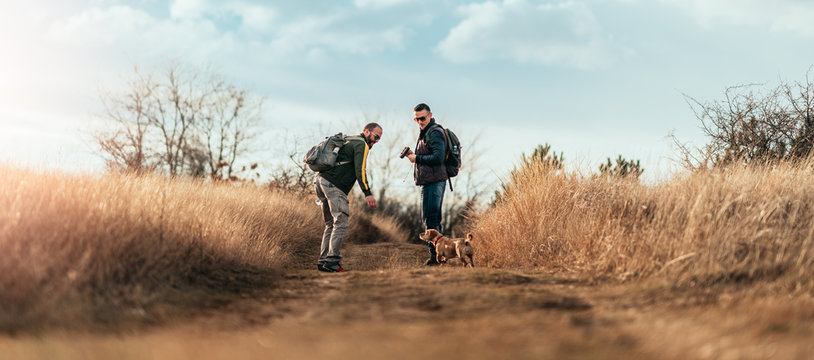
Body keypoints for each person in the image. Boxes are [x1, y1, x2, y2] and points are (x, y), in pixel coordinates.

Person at [315, 122, 382, 272]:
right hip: (333, 185)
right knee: (341, 222)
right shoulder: (362, 145)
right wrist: (367, 193)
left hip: (321, 181)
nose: (376, 141)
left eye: (379, 139)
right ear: (366, 131)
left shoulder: (349, 139)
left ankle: (323, 261)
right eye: (375, 136)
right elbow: (360, 171)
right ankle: (332, 262)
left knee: (331, 224)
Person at [404, 103, 447, 266]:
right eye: (416, 119)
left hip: (435, 182)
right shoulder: (425, 132)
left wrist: (417, 159)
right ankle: (438, 257)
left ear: (430, 115)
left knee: (431, 220)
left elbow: (438, 158)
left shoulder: (434, 133)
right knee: (431, 219)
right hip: (429, 182)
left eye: (422, 118)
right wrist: (413, 156)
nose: (420, 121)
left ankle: (436, 258)